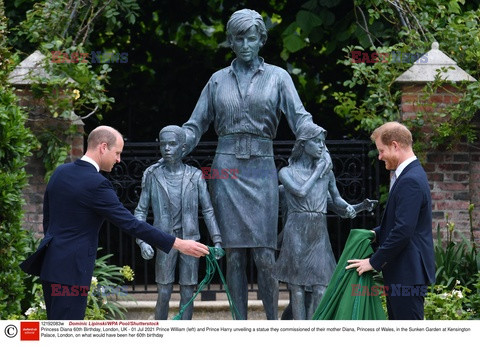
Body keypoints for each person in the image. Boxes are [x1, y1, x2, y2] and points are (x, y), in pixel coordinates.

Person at [181, 8, 319, 320]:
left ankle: (271, 327)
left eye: (251, 38)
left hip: (261, 168)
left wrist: (316, 141)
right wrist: (178, 143)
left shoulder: (278, 77)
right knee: (234, 256)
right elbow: (195, 124)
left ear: (261, 40)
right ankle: (240, 327)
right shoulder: (217, 81)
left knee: (265, 255)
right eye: (239, 38)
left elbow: (300, 119)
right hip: (226, 169)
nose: (245, 44)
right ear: (230, 41)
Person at [20, 125, 209, 320]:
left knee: (55, 330)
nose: (119, 159)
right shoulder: (97, 184)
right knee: (68, 334)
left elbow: (48, 219)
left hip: (51, 267)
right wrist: (178, 243)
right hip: (73, 273)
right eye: (117, 152)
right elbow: (131, 223)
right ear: (103, 147)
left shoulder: (61, 172)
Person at [346, 121, 435, 320]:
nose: (379, 156)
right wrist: (374, 234)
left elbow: (403, 230)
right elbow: (400, 223)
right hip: (404, 272)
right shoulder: (408, 175)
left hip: (407, 273)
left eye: (381, 150)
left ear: (395, 145)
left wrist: (373, 262)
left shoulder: (410, 179)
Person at [134, 125, 222, 320]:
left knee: (187, 293)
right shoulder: (153, 176)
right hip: (164, 241)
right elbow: (140, 211)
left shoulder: (195, 175)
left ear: (183, 148)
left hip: (190, 241)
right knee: (164, 293)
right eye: (163, 144)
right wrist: (143, 241)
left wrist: (217, 241)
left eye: (172, 144)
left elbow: (207, 210)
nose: (166, 149)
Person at [273, 124, 357, 319]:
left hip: (318, 231)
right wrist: (318, 170)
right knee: (298, 288)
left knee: (321, 287)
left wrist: (356, 207)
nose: (321, 146)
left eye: (323, 142)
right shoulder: (286, 172)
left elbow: (336, 201)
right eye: (316, 141)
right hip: (296, 230)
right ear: (303, 144)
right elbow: (301, 192)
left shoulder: (327, 173)